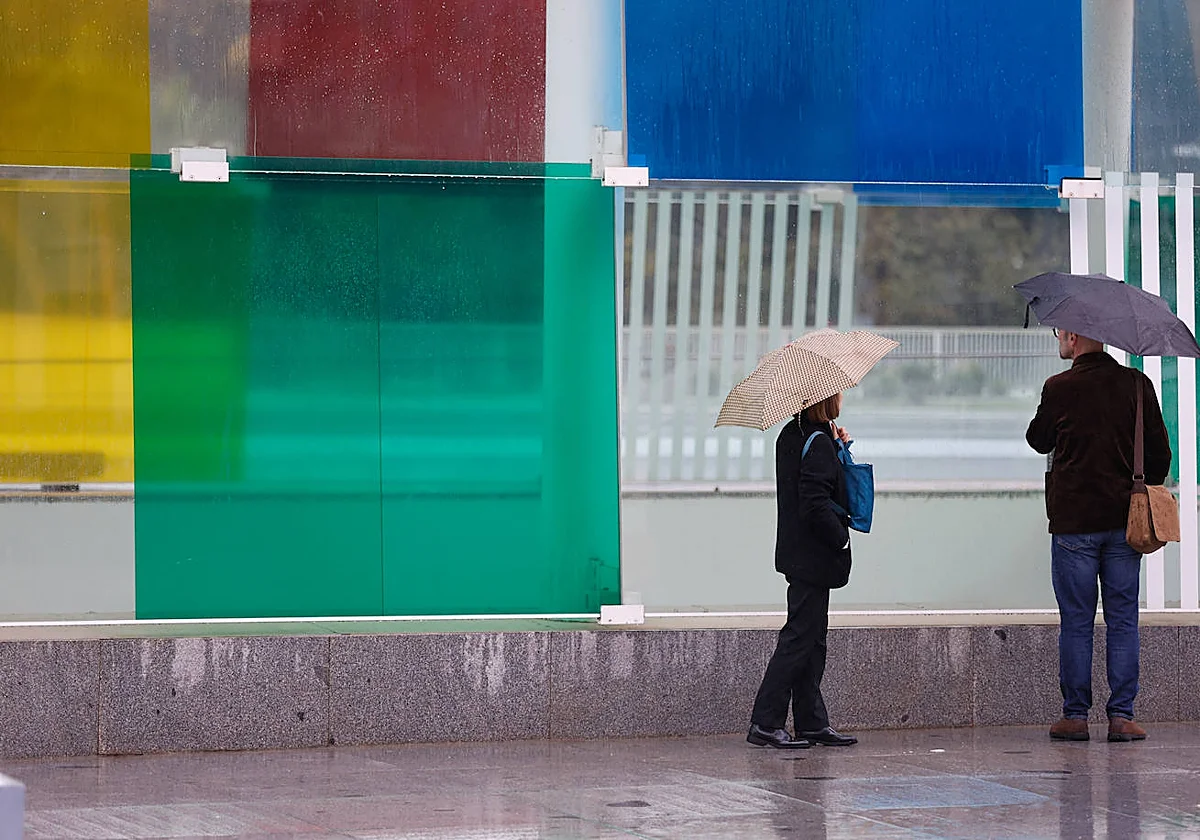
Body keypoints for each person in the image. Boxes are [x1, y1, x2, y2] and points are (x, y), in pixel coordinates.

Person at [1025, 328, 1171, 743]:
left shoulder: (1059, 386)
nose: (1058, 339)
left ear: (1073, 337)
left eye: (1059, 334)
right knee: (1123, 619)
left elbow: (1038, 440)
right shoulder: (1136, 385)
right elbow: (1160, 453)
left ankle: (1074, 716)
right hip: (1125, 523)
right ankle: (1122, 717)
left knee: (1076, 621)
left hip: (1074, 523)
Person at [747, 392, 858, 749]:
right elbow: (815, 503)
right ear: (825, 399)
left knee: (812, 641)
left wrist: (838, 446)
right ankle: (765, 721)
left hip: (798, 554)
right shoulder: (818, 441)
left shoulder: (792, 434)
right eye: (838, 393)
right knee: (798, 640)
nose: (843, 398)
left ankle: (811, 721)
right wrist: (840, 538)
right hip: (815, 556)